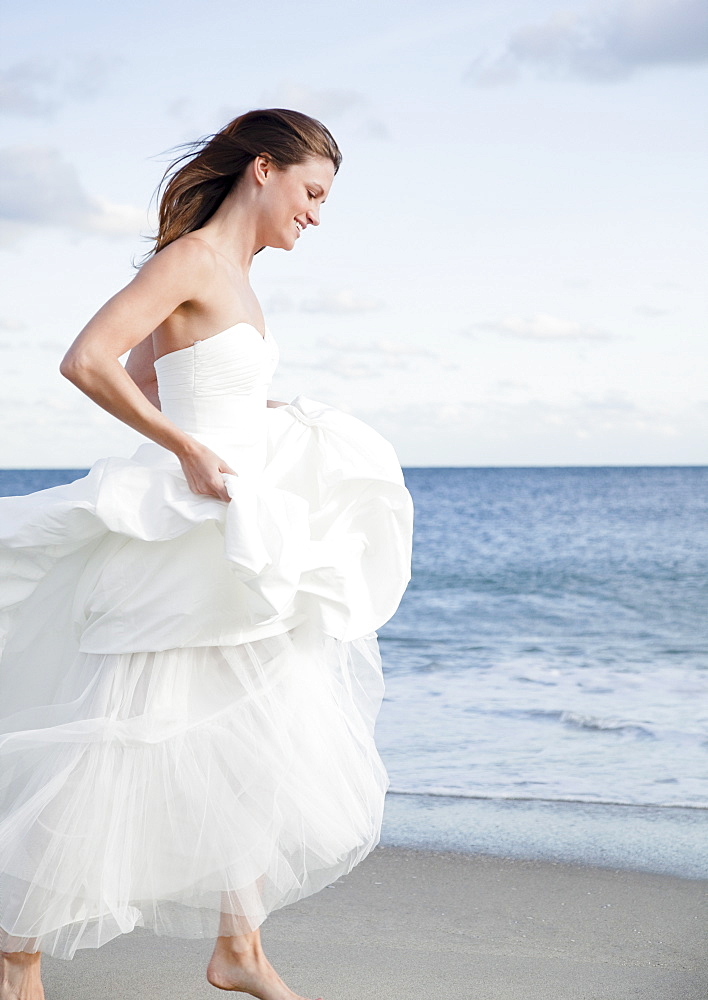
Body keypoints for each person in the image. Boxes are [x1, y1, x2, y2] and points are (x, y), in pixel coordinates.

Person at [0, 108, 413, 1000]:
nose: (316, 213)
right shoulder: (189, 259)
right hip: (182, 536)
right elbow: (87, 361)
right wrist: (185, 447)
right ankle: (16, 959)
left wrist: (258, 423)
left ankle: (240, 950)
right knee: (110, 746)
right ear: (262, 170)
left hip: (238, 534)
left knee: (254, 739)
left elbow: (155, 377)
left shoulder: (241, 277)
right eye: (312, 191)